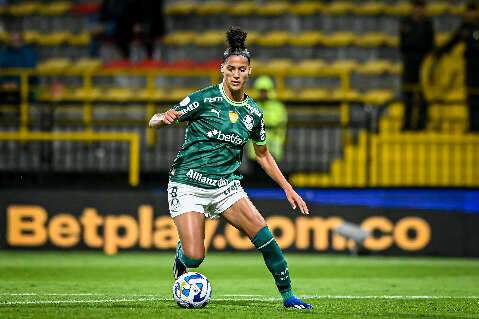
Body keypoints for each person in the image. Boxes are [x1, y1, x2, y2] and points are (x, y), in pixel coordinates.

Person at [149, 26, 312, 310]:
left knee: (265, 237)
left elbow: (262, 155)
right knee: (195, 256)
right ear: (221, 69)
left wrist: (287, 187)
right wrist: (163, 118)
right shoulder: (203, 99)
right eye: (231, 68)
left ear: (249, 72)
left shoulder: (254, 114)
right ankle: (182, 257)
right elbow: (153, 120)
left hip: (226, 187)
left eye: (242, 69)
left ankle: (289, 297)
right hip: (188, 184)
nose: (236, 74)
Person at [434, 1, 479, 132]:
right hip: (471, 66)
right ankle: (473, 125)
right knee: (471, 96)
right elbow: (452, 41)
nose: (471, 14)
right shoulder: (464, 27)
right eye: (469, 11)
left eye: (473, 11)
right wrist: (438, 52)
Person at [399, 0, 435, 131]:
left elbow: (431, 45)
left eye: (421, 7)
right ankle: (407, 123)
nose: (418, 10)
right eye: (416, 7)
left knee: (422, 95)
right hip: (409, 63)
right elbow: (402, 45)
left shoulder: (428, 24)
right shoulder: (405, 23)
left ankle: (421, 124)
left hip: (423, 64)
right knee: (408, 93)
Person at [247, 76, 288, 180]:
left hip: (272, 150)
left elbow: (277, 122)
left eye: (265, 90)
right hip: (255, 151)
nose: (262, 93)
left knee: (272, 179)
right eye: (260, 91)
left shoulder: (278, 107)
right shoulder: (253, 106)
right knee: (257, 179)